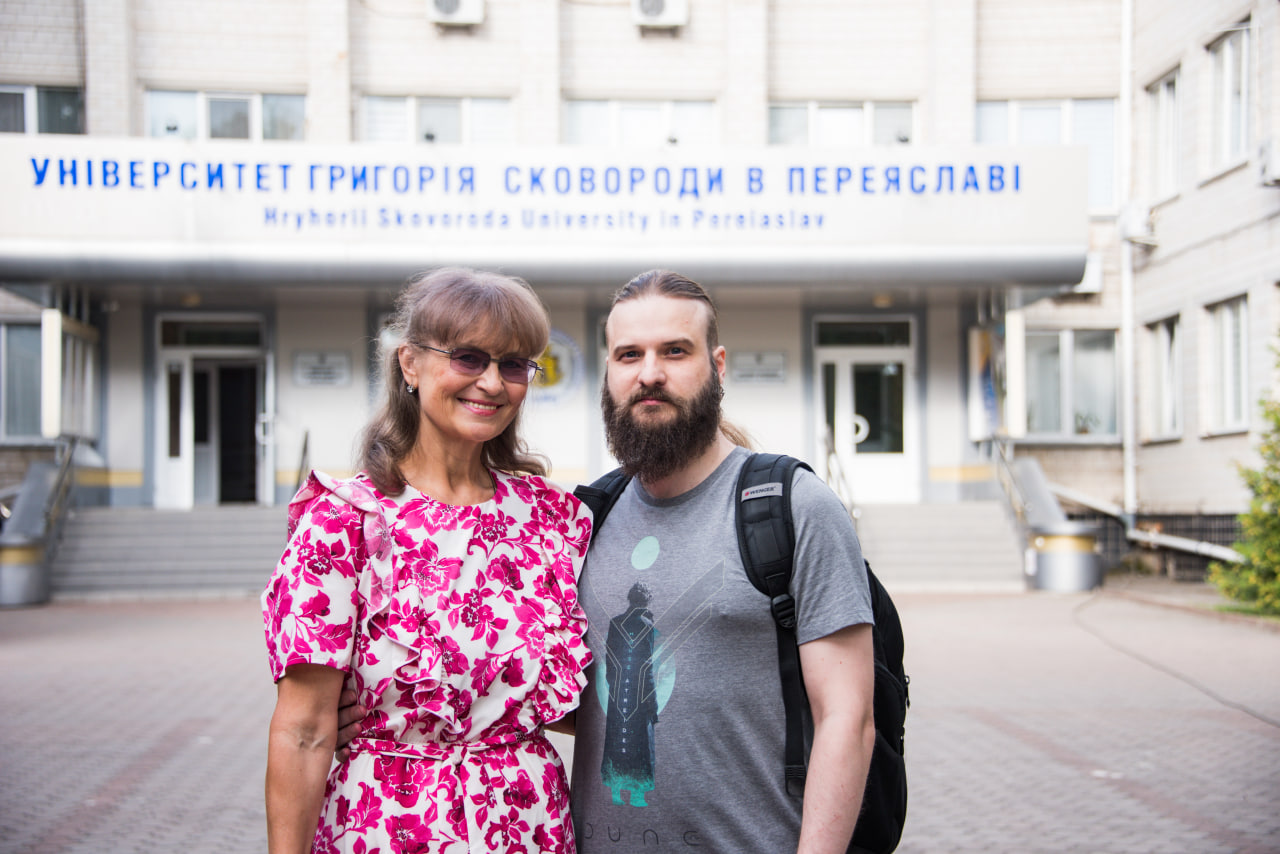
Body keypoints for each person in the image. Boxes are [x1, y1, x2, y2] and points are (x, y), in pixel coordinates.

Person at [262, 267, 593, 854]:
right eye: (468, 358)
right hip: (386, 828)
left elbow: (567, 704)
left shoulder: (551, 520)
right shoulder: (345, 521)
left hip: (528, 828)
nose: (491, 383)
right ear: (409, 364)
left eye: (513, 365)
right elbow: (305, 732)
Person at [569, 270, 877, 853]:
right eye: (629, 354)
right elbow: (568, 703)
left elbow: (847, 718)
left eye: (674, 351)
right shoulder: (588, 518)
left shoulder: (792, 507)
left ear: (718, 366)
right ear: (609, 372)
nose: (649, 373)